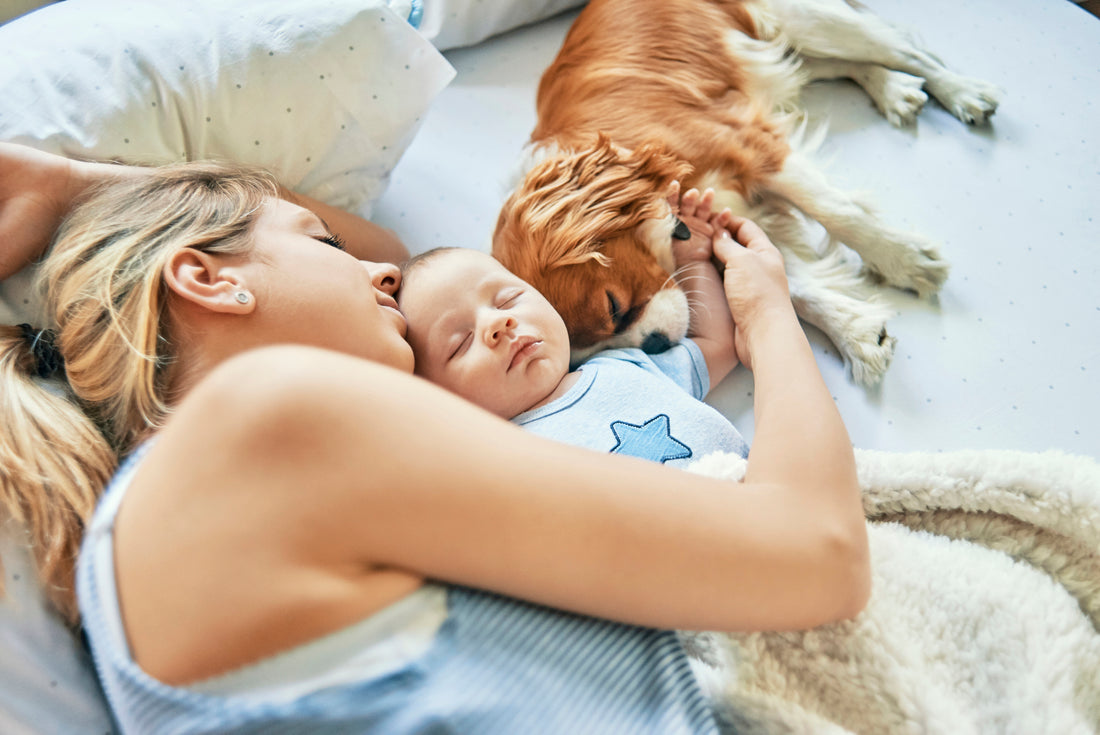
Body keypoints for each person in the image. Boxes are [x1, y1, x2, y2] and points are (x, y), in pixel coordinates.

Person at [0, 142, 870, 733]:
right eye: (322, 241)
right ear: (207, 280)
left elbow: (402, 256)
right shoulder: (269, 420)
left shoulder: (147, 538)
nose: (381, 268)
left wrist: (87, 186)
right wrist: (764, 314)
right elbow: (821, 553)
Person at [397, 187, 750, 465]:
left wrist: (694, 258)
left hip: (749, 500)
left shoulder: (625, 366)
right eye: (461, 343)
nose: (499, 323)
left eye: (508, 299)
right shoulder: (493, 456)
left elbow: (716, 343)